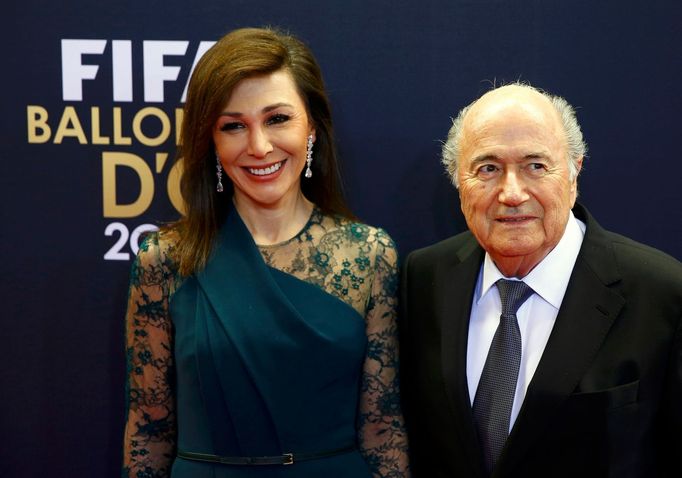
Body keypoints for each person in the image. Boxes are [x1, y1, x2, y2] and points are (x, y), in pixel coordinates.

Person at [122, 27, 409, 478]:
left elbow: (382, 428)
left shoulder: (369, 255)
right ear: (212, 142)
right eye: (233, 126)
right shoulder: (165, 260)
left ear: (311, 125)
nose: (259, 146)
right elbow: (148, 430)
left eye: (278, 119)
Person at [400, 83, 681, 477]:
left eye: (535, 165)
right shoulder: (425, 277)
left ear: (573, 174)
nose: (512, 193)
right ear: (458, 182)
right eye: (488, 169)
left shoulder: (662, 292)